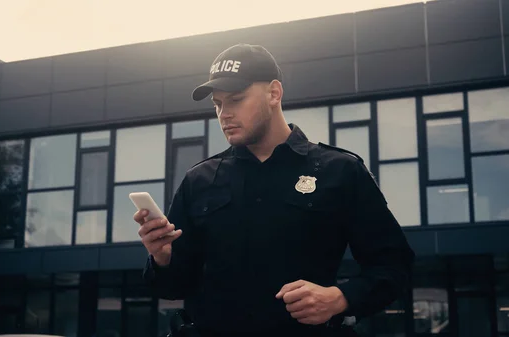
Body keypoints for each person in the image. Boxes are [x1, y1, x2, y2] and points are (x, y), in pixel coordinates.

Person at [136, 43, 415, 337]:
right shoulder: (199, 180)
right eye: (218, 104)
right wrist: (163, 258)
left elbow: (394, 266)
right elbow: (172, 287)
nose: (224, 114)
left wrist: (341, 298)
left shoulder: (340, 171)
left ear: (274, 93)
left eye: (236, 100)